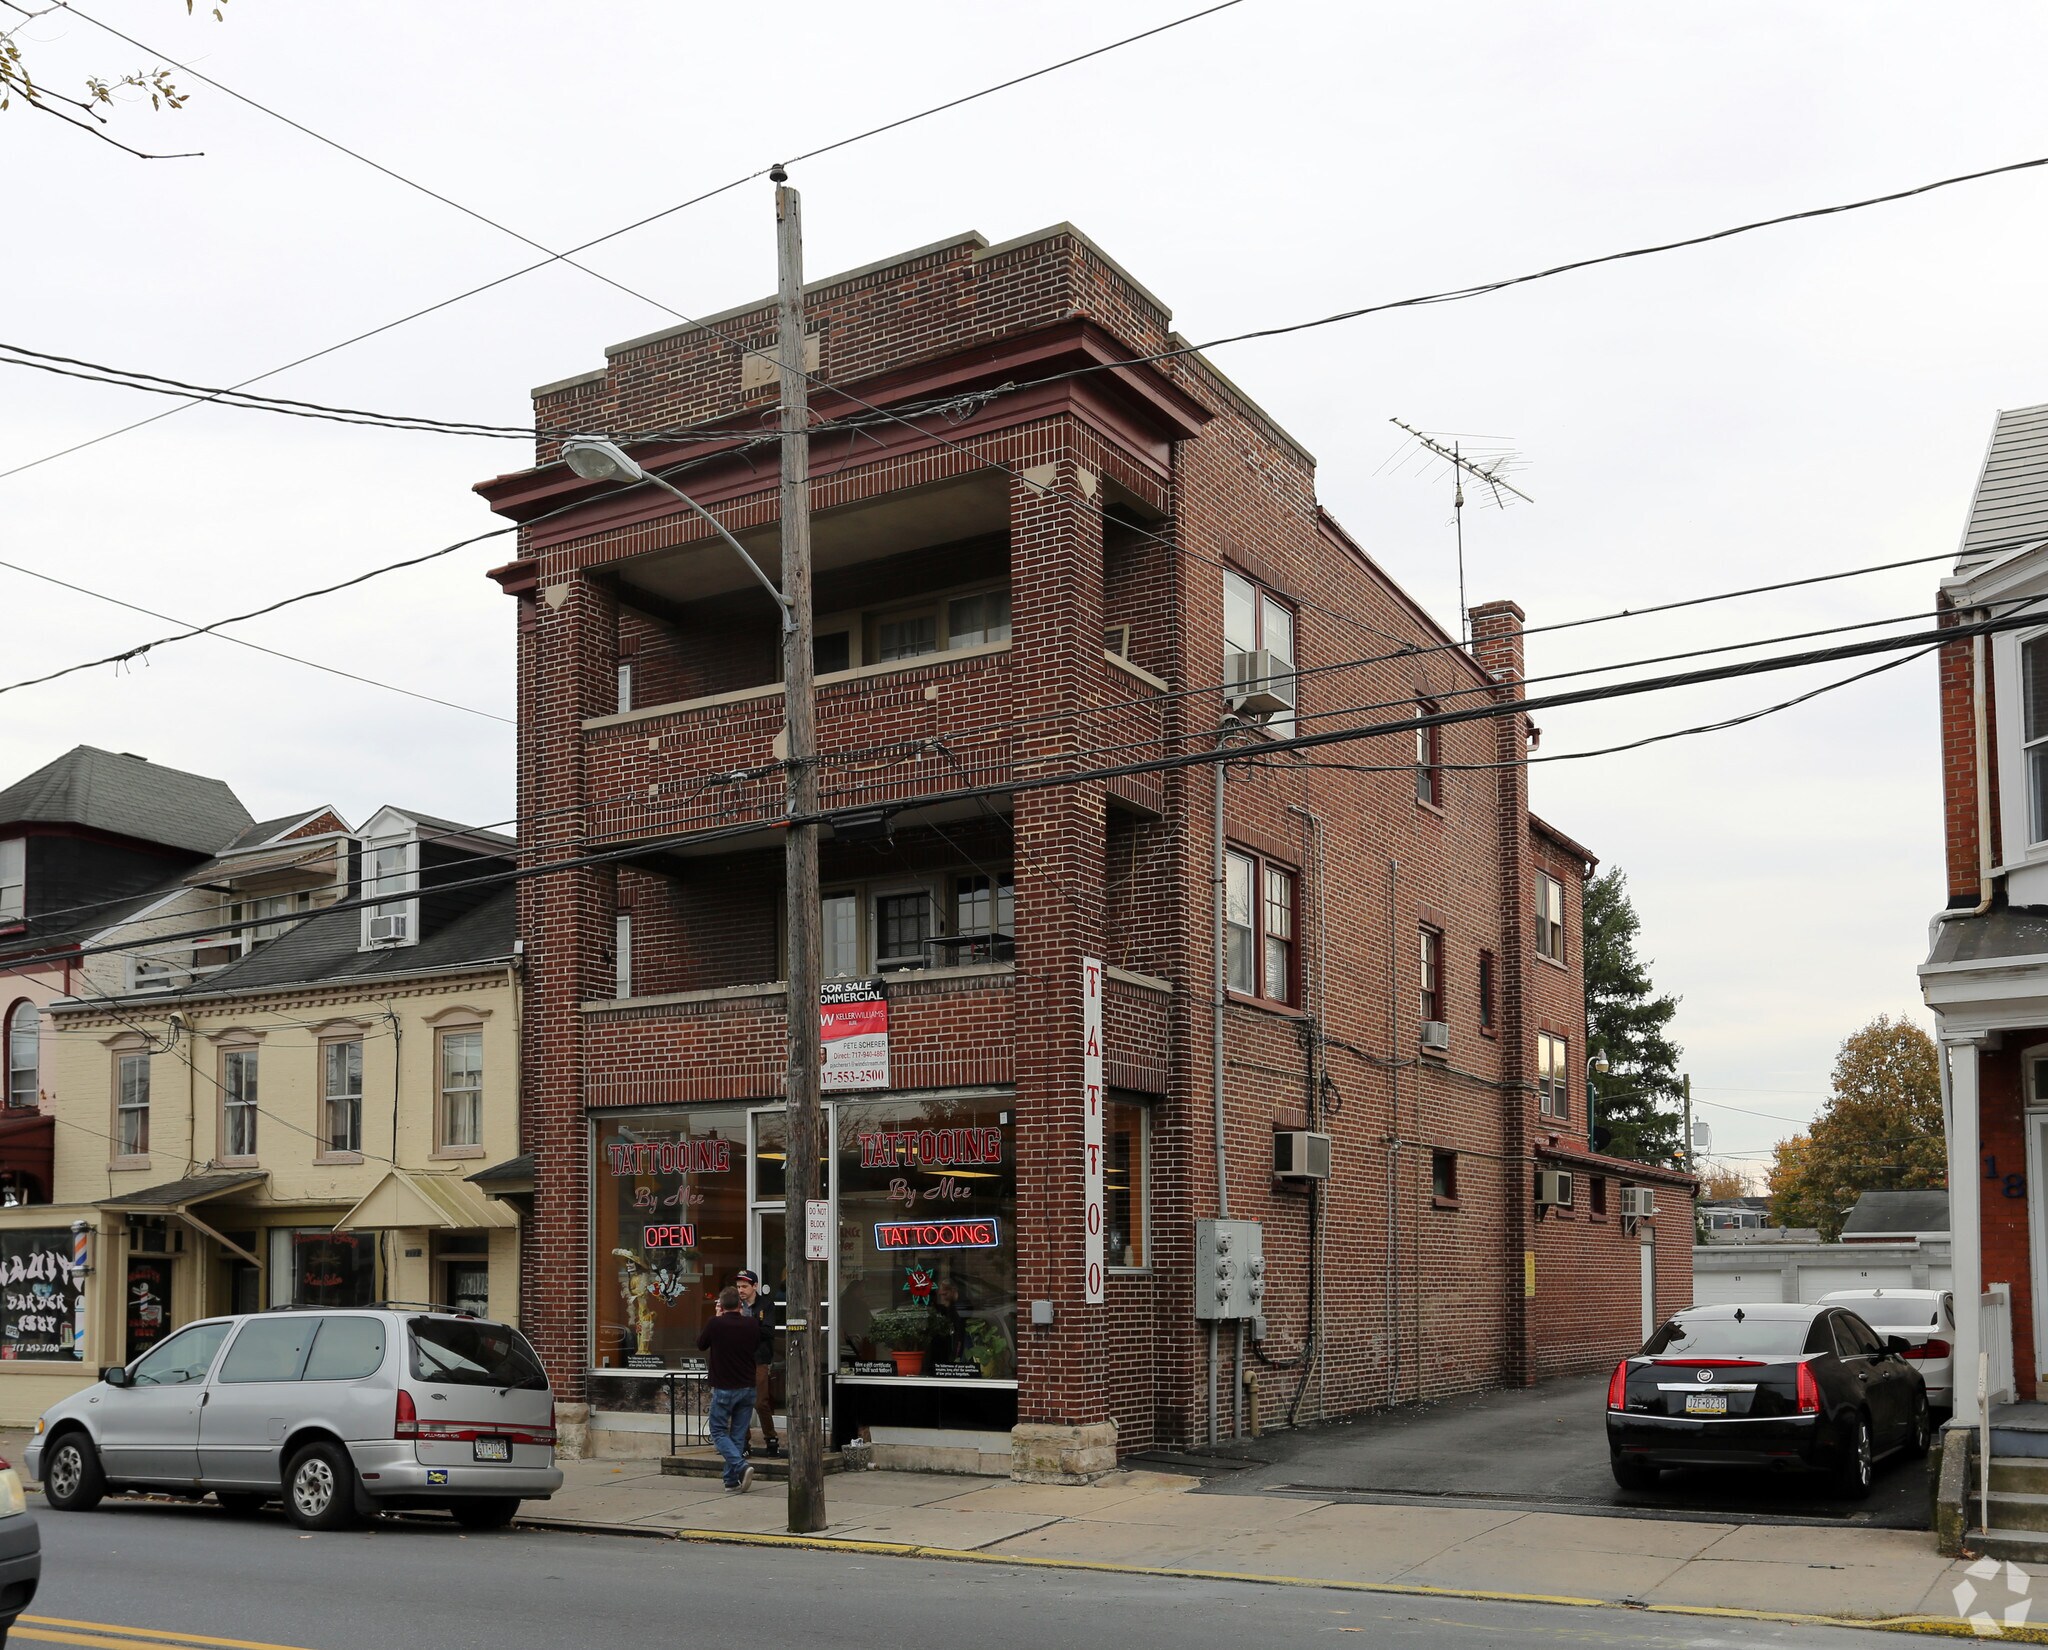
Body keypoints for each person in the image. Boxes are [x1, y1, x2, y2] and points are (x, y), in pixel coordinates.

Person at [696, 1286, 764, 1493]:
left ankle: (741, 1466)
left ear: (722, 1305)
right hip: (747, 1386)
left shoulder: (715, 1324)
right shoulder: (751, 1324)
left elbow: (701, 1344)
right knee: (737, 1434)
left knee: (717, 1431)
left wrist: (717, 1317)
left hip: (724, 1387)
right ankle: (731, 1481)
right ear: (740, 1304)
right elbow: (755, 1346)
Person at [735, 1269, 779, 1457]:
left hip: (759, 1359)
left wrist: (747, 1325)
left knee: (761, 1401)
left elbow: (769, 1331)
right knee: (739, 1401)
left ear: (755, 1286)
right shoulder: (735, 1305)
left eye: (744, 1286)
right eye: (738, 1287)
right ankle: (743, 1441)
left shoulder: (766, 1305)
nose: (741, 1290)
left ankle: (771, 1439)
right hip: (739, 1359)